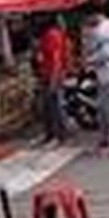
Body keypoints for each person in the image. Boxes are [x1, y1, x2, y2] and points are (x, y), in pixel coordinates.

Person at [83, 2, 109, 154]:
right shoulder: (108, 25)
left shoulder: (102, 31)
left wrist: (89, 60)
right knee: (102, 108)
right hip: (108, 72)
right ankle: (105, 140)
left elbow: (106, 53)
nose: (86, 21)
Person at [34, 16, 70, 144]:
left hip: (52, 75)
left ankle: (58, 135)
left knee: (54, 106)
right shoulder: (55, 35)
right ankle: (52, 134)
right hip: (49, 74)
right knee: (49, 106)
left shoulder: (52, 36)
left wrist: (54, 79)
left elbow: (56, 59)